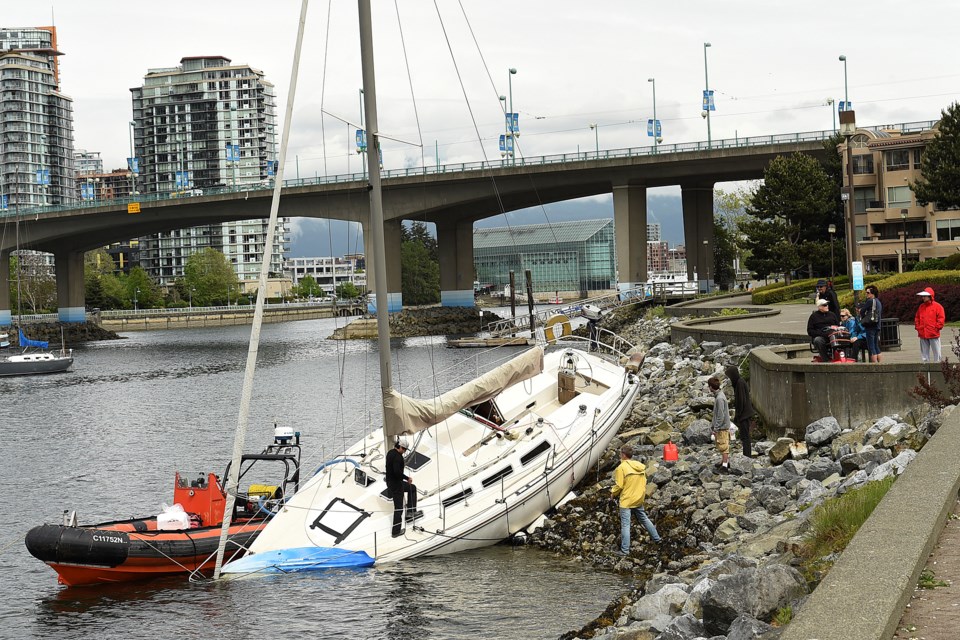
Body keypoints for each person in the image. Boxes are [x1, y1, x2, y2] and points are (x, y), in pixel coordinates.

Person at [611, 444, 661, 556]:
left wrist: (613, 493)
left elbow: (619, 485)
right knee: (644, 519)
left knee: (625, 525)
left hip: (627, 500)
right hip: (638, 498)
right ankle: (657, 539)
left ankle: (624, 551)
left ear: (623, 455)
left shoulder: (621, 468)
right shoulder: (640, 466)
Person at [385, 435, 419, 538]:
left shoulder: (390, 453)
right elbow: (396, 472)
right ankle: (395, 532)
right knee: (398, 508)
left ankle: (410, 511)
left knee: (412, 488)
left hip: (390, 482)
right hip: (397, 485)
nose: (404, 451)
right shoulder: (398, 457)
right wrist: (406, 478)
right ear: (399, 447)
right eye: (403, 449)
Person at [725, 365, 755, 458]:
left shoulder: (740, 384)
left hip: (744, 415)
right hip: (745, 414)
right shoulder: (739, 382)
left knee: (745, 437)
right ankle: (746, 455)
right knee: (744, 436)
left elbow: (741, 401)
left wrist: (738, 415)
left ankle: (747, 456)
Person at [915, 287, 946, 363]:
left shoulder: (938, 306)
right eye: (923, 296)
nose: (923, 298)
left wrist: (936, 328)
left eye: (924, 296)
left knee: (937, 354)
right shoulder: (921, 307)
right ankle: (926, 369)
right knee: (924, 355)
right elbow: (917, 317)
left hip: (933, 333)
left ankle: (937, 367)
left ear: (930, 296)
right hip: (923, 333)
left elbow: (941, 318)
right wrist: (918, 327)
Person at [707, 376, 731, 471]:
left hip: (722, 427)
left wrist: (715, 429)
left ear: (711, 387)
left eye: (709, 386)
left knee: (723, 445)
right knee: (721, 444)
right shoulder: (720, 395)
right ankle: (723, 461)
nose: (709, 388)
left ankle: (725, 465)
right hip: (722, 426)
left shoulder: (719, 398)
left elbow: (720, 415)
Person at [859, 285, 883, 363]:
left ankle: (874, 365)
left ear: (873, 293)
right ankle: (880, 363)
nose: (866, 294)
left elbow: (862, 311)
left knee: (871, 346)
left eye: (868, 292)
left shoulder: (870, 301)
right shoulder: (878, 301)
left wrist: (864, 318)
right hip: (877, 325)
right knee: (876, 345)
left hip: (870, 326)